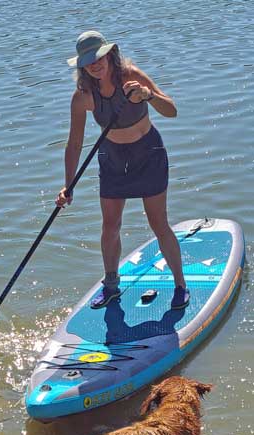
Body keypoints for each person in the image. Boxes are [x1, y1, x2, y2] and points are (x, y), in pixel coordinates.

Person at [56, 30, 189, 310]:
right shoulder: (82, 97)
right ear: (82, 66)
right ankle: (111, 285)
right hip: (112, 159)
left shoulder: (132, 76)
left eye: (99, 57)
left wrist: (148, 95)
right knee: (110, 226)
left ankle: (180, 286)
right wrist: (69, 185)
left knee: (158, 223)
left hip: (148, 154)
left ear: (110, 54)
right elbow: (74, 143)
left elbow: (172, 110)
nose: (95, 64)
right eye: (88, 61)